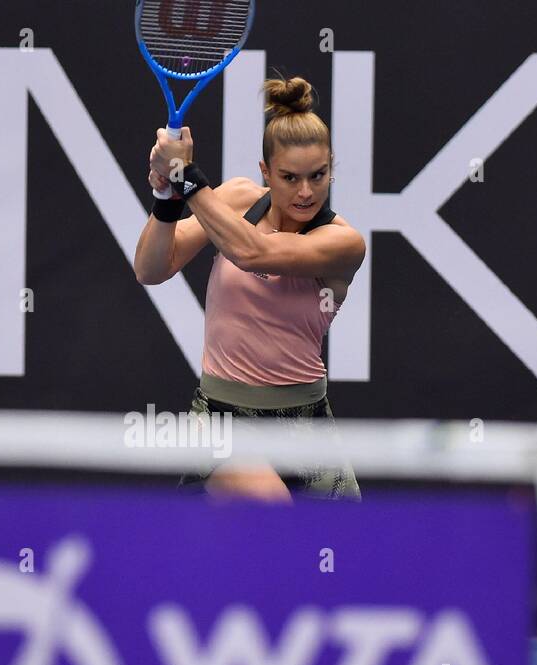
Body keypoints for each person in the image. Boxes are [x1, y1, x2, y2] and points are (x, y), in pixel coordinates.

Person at [133, 76, 366, 502]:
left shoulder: (343, 243)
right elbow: (151, 268)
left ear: (332, 166)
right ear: (265, 172)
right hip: (222, 423)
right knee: (275, 517)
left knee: (343, 560)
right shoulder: (239, 198)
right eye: (289, 177)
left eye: (318, 175)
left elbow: (253, 252)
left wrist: (186, 177)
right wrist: (167, 197)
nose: (305, 191)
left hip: (308, 424)